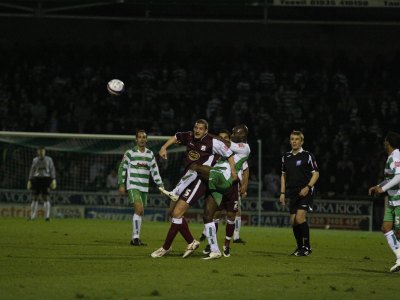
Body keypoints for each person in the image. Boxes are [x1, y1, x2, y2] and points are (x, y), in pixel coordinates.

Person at [151, 119, 235, 258]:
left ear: (206, 131)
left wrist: (232, 172)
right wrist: (164, 147)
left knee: (177, 213)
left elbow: (230, 154)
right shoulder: (189, 136)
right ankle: (193, 242)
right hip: (188, 178)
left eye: (201, 128)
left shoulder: (212, 142)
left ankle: (165, 247)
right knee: (176, 214)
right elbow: (177, 136)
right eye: (196, 127)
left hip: (200, 180)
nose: (197, 130)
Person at [189, 124, 250, 259]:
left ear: (243, 136)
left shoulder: (244, 148)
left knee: (231, 216)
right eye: (232, 133)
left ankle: (227, 245)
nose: (233, 135)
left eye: (235, 133)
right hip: (219, 180)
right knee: (213, 215)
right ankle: (212, 245)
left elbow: (246, 169)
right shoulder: (221, 150)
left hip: (232, 185)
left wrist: (207, 135)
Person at [118, 130, 164, 246]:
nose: (142, 139)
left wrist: (160, 184)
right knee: (139, 210)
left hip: (144, 187)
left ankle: (136, 238)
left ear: (146, 140)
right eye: (139, 137)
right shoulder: (130, 153)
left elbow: (155, 170)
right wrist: (121, 184)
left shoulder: (150, 154)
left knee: (140, 212)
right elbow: (122, 168)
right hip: (133, 185)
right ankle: (135, 238)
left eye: (144, 137)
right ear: (136, 139)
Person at [279, 130, 319, 257]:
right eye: (292, 139)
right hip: (293, 192)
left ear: (302, 141)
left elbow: (316, 174)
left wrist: (308, 187)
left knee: (300, 218)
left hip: (305, 190)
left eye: (297, 139)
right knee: (293, 221)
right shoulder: (286, 157)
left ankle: (307, 247)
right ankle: (299, 247)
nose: (294, 141)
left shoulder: (307, 155)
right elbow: (283, 175)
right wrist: (282, 193)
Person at [368, 131, 400, 273]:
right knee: (386, 228)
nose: (383, 143)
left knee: (398, 233)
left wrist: (383, 189)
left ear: (388, 142)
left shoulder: (396, 156)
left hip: (399, 199)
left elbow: (399, 177)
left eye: (385, 141)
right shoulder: (391, 157)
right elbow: (390, 178)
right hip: (393, 199)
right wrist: (379, 186)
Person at [27, 147, 57, 221]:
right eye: (40, 151)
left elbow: (52, 169)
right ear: (38, 152)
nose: (41, 152)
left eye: (43, 151)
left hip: (46, 179)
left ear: (45, 152)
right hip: (36, 179)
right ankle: (33, 216)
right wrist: (29, 180)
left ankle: (47, 217)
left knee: (46, 198)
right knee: (35, 197)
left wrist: (53, 179)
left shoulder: (49, 159)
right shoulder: (35, 160)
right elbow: (32, 170)